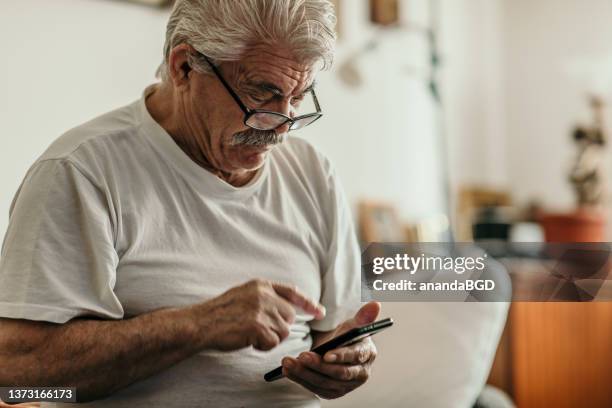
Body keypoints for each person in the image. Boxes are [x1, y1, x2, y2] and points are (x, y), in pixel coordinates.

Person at [0, 1, 379, 406]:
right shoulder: (82, 170)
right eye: (261, 94)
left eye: (298, 98)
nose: (280, 129)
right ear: (184, 67)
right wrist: (198, 325)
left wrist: (347, 358)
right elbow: (16, 372)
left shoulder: (312, 173)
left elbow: (333, 330)